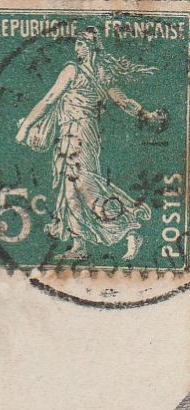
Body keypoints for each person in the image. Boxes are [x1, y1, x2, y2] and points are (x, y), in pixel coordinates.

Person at [15, 26, 167, 262]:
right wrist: (145, 114)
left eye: (80, 44)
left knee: (85, 185)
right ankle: (79, 244)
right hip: (76, 135)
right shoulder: (103, 73)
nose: (76, 49)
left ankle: (129, 229)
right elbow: (124, 102)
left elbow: (48, 100)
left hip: (78, 135)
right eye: (76, 44)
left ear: (89, 47)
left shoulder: (72, 71)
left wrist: (26, 127)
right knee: (70, 189)